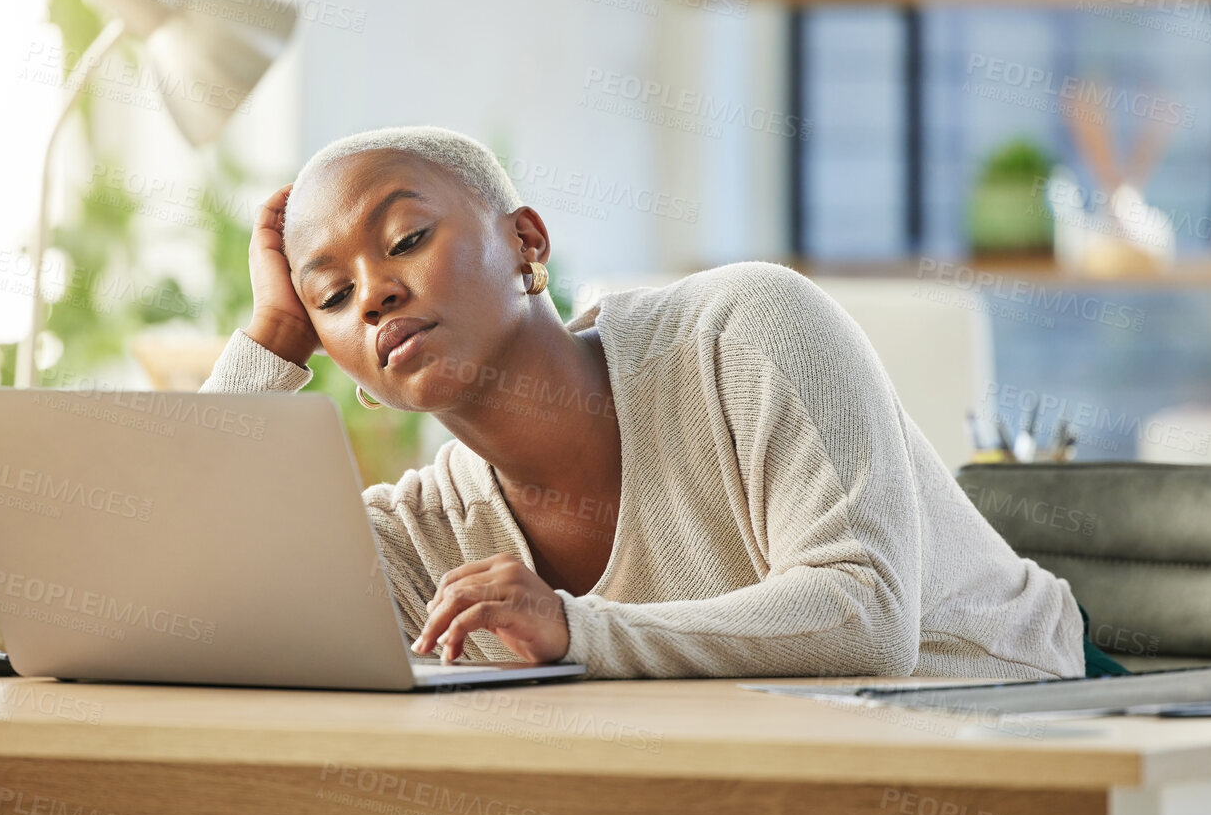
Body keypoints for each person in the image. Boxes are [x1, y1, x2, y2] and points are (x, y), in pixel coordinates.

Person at [201, 126, 1089, 680]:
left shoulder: (740, 332)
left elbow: (863, 616)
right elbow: (187, 604)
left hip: (1028, 730)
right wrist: (272, 338)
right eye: (331, 298)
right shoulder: (422, 537)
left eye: (406, 239)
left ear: (526, 244)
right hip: (758, 801)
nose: (373, 294)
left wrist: (577, 628)